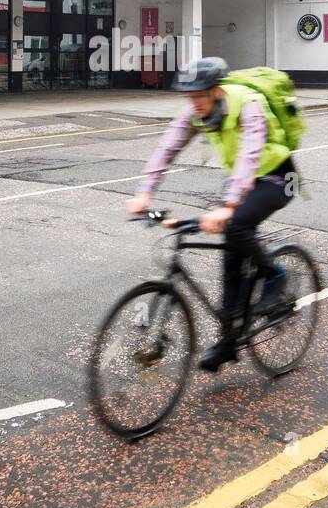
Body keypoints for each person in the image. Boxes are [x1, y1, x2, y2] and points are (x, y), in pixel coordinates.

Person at [126, 56, 295, 372]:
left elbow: (249, 155)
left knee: (237, 225)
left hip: (278, 179)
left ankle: (276, 275)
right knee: (231, 262)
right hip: (245, 184)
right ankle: (228, 342)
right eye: (190, 97)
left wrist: (229, 206)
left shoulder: (249, 104)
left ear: (217, 90)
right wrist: (144, 193)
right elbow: (167, 147)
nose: (195, 103)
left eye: (199, 95)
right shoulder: (197, 111)